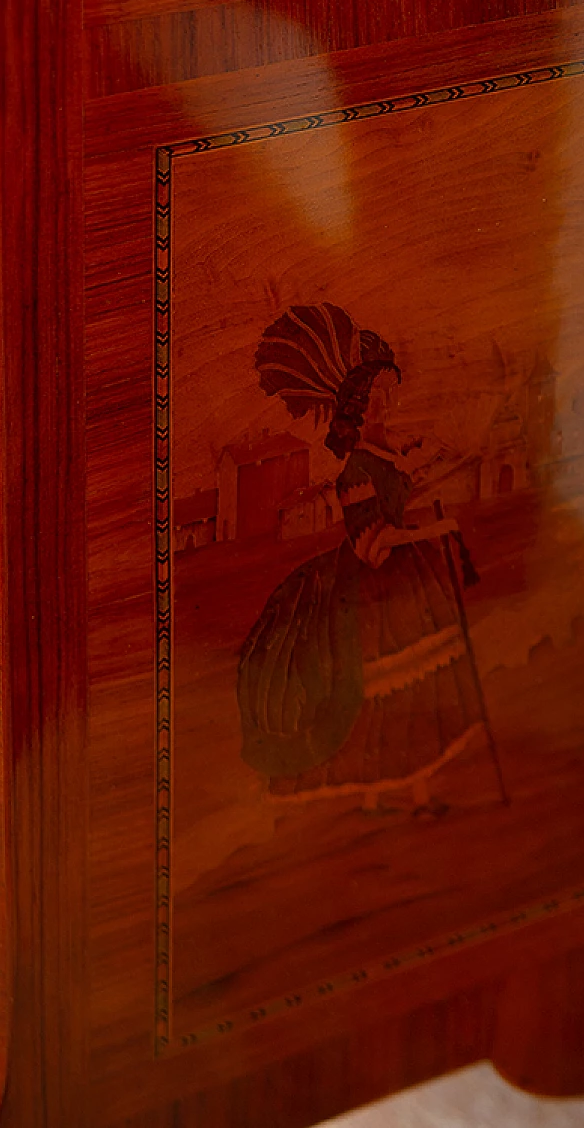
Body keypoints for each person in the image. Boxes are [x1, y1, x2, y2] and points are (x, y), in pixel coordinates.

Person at [237, 303, 491, 809]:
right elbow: (372, 545)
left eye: (389, 393)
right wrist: (435, 529)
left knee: (419, 688)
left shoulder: (386, 451)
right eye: (378, 396)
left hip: (408, 579)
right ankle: (375, 794)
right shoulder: (355, 468)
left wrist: (432, 473)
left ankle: (415, 787)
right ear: (358, 404)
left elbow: (396, 501)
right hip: (369, 588)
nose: (387, 403)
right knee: (379, 691)